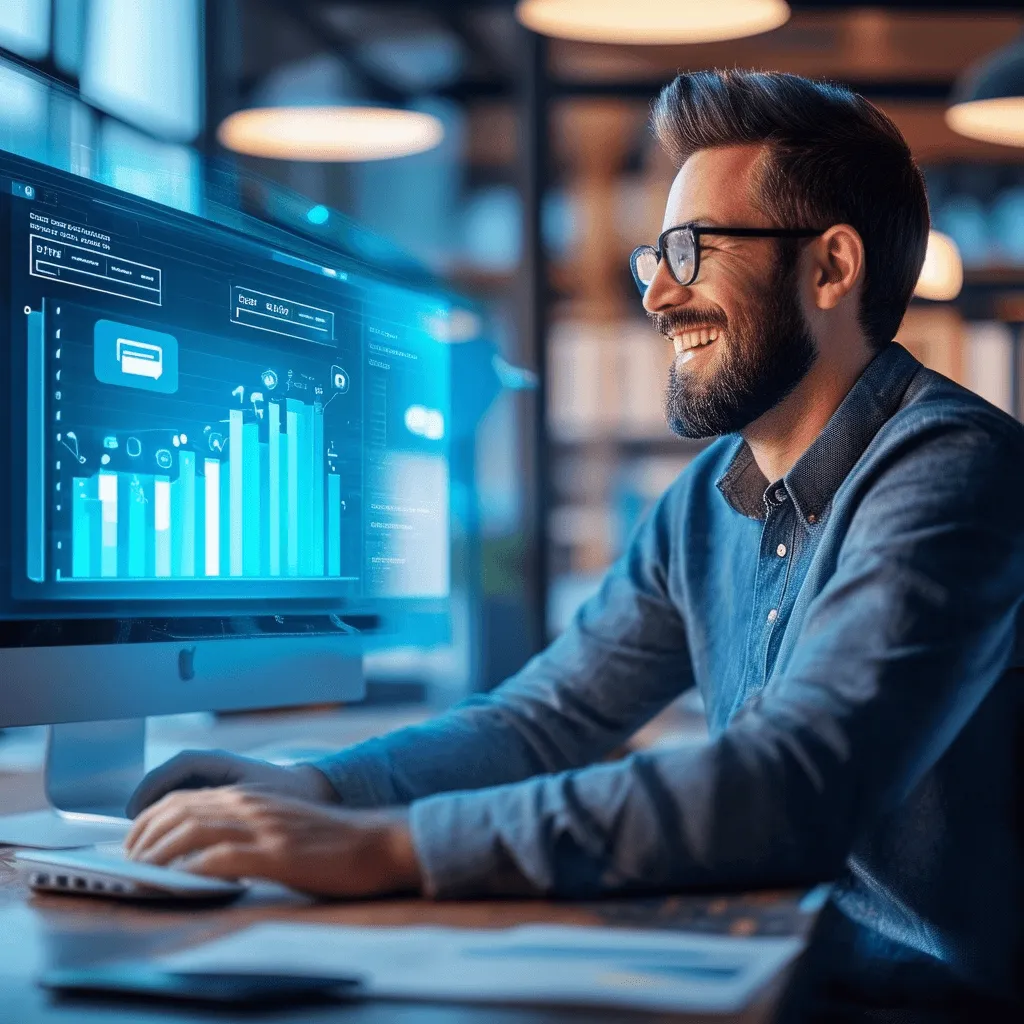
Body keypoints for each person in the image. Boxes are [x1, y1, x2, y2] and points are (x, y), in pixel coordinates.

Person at [126, 70, 1024, 1006]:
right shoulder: (706, 505)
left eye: (692, 248)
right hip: (769, 968)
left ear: (831, 269)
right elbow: (543, 720)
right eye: (655, 256)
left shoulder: (954, 473)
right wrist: (318, 791)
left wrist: (386, 848)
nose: (657, 295)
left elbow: (792, 788)